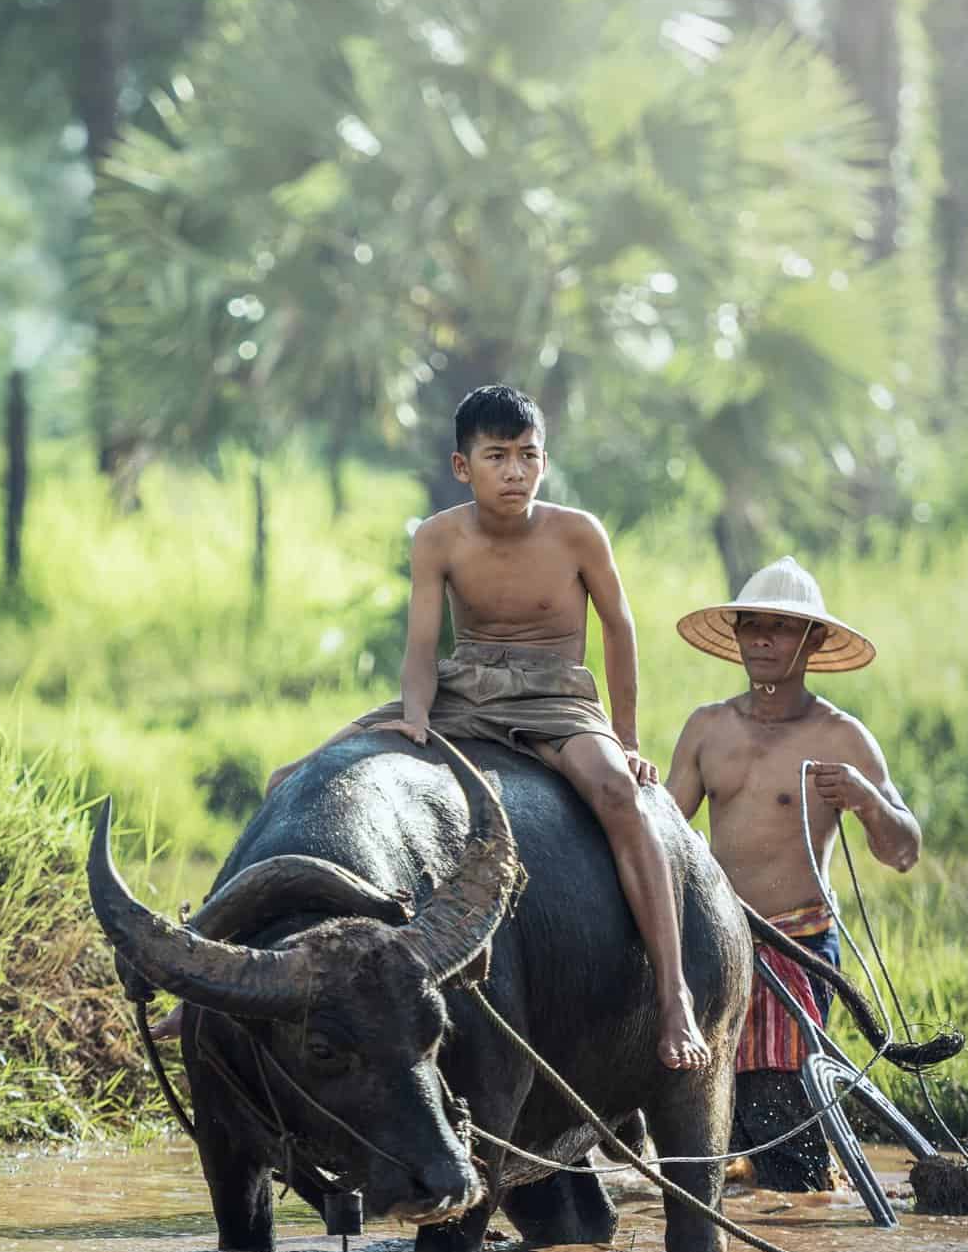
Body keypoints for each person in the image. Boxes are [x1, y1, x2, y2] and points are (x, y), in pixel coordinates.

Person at [264, 384, 708, 1070]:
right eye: (497, 456)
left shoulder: (576, 532)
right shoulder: (438, 537)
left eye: (528, 455)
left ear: (544, 461)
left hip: (555, 696)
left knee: (619, 796)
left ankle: (674, 994)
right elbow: (421, 645)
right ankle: (223, 980)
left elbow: (619, 631)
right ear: (461, 466)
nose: (515, 471)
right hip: (465, 689)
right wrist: (413, 716)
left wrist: (625, 738)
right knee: (288, 776)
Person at [666, 556, 920, 1188]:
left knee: (779, 1112)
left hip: (797, 946)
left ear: (814, 641)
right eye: (752, 624)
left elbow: (904, 850)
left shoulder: (841, 737)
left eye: (780, 627)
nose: (761, 639)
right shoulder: (708, 728)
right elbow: (666, 833)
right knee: (713, 1124)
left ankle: (804, 1218)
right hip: (718, 944)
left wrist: (863, 797)